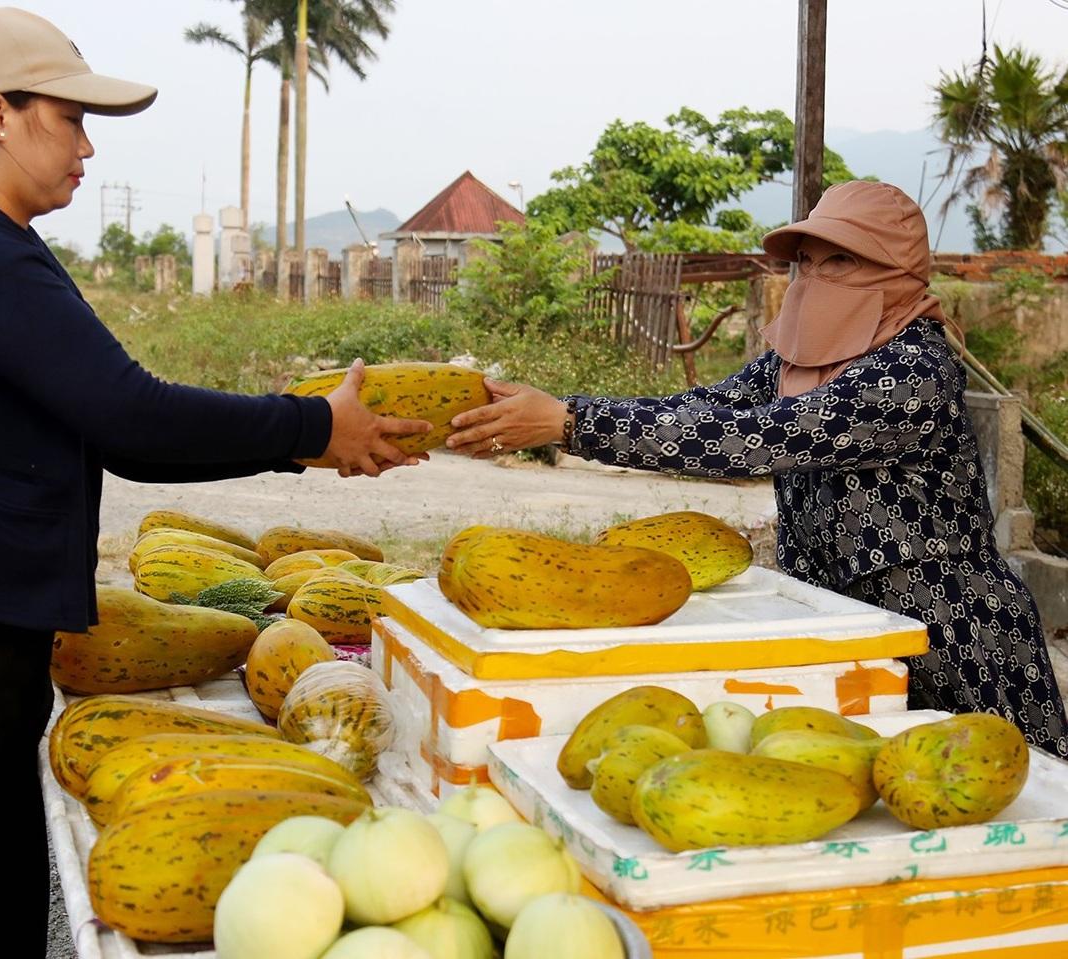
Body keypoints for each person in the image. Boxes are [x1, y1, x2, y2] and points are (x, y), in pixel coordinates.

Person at [0, 8, 430, 958]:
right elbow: (132, 410)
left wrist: (308, 439)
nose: (88, 148)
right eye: (72, 118)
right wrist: (310, 426)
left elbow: (120, 437)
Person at [448, 180, 1068, 759]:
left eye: (840, 262)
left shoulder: (914, 371)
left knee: (1007, 807)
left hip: (955, 637)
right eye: (806, 260)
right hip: (846, 629)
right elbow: (702, 411)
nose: (814, 277)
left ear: (897, 272)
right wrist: (562, 409)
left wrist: (572, 425)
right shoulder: (791, 362)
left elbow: (754, 438)